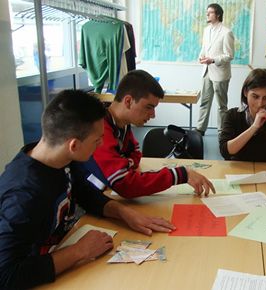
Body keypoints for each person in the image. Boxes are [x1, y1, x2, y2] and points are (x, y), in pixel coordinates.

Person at [0, 90, 176, 289]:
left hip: (64, 253)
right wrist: (79, 251)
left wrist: (124, 213)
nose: (101, 144)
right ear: (74, 145)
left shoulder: (60, 158)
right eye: (97, 140)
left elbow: (84, 193)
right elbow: (6, 275)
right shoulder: (24, 195)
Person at [92, 70, 215, 198]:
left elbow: (135, 153)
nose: (153, 114)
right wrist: (181, 174)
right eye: (149, 107)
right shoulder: (99, 128)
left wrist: (124, 164)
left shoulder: (122, 123)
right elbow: (125, 184)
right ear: (128, 101)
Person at [195, 3, 235, 136]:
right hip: (206, 70)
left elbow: (229, 55)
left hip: (220, 73)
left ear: (218, 14)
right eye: (207, 12)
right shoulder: (207, 30)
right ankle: (200, 129)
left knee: (221, 106)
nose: (207, 14)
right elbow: (205, 47)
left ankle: (222, 131)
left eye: (210, 12)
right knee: (204, 102)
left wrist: (212, 60)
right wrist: (201, 56)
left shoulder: (226, 32)